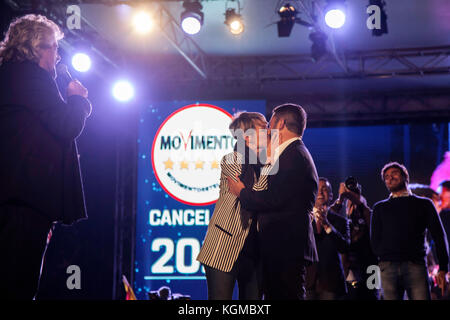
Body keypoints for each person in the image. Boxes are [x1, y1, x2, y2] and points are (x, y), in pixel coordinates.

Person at [0, 14, 91, 300]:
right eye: (53, 47)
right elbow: (66, 125)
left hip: (14, 196)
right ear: (35, 48)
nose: (57, 55)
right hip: (25, 198)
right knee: (18, 282)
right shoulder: (33, 78)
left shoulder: (9, 75)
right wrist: (78, 100)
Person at [228, 103, 319, 300]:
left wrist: (241, 192)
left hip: (285, 245)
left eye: (270, 123)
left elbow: (273, 198)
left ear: (281, 123)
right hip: (280, 245)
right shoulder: (288, 153)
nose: (268, 129)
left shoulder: (293, 155)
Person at [197, 112, 268, 300]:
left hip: (254, 249)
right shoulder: (233, 159)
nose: (269, 130)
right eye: (263, 127)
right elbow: (255, 193)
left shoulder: (262, 163)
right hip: (223, 245)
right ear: (247, 137)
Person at [370, 162, 449, 300]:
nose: (390, 178)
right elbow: (374, 240)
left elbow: (439, 235)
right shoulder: (379, 208)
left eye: (394, 173)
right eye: (386, 176)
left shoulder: (424, 204)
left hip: (415, 265)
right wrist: (385, 258)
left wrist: (443, 267)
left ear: (405, 177)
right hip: (388, 267)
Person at [332, 181, 379, 300]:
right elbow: (328, 216)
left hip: (370, 268)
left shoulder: (369, 216)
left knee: (371, 297)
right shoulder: (343, 221)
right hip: (350, 270)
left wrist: (357, 201)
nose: (353, 204)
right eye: (350, 203)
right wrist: (341, 199)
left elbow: (369, 216)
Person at [305, 178, 350, 300]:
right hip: (308, 282)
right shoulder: (302, 219)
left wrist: (327, 225)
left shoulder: (341, 221)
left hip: (331, 283)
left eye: (324, 189)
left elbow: (345, 247)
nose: (320, 193)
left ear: (331, 195)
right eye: (317, 189)